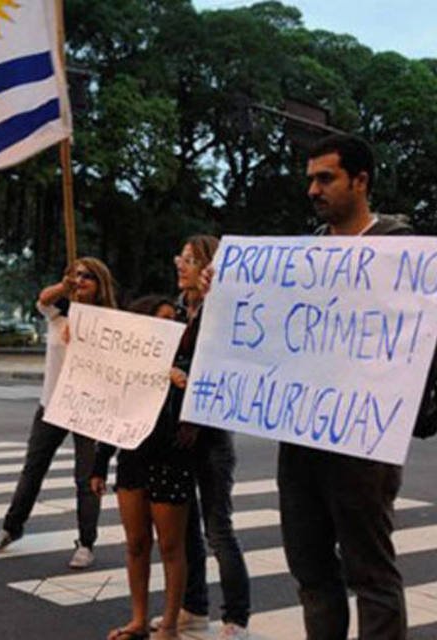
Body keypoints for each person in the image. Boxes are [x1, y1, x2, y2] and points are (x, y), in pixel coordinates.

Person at [197, 134, 410, 639]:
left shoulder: (400, 250)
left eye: (326, 178)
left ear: (360, 181)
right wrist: (223, 291)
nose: (313, 189)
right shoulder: (302, 255)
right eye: (310, 179)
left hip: (364, 441)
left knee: (371, 573)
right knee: (311, 572)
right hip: (300, 440)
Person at [0, 257, 118, 569]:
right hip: (52, 405)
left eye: (88, 277)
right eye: (76, 275)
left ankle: (86, 542)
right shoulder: (58, 313)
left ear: (100, 284)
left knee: (87, 478)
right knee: (33, 470)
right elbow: (44, 298)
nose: (81, 280)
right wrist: (64, 287)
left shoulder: (110, 323)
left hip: (88, 408)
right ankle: (11, 528)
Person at [149, 236, 252, 640]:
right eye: (180, 258)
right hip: (176, 435)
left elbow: (227, 362)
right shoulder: (176, 311)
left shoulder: (219, 312)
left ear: (208, 266)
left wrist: (186, 375)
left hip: (209, 437)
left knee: (217, 529)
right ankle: (193, 608)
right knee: (185, 528)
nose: (181, 265)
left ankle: (236, 618)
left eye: (190, 260)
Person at [91, 292, 195, 640]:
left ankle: (168, 624)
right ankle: (138, 619)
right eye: (161, 320)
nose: (170, 325)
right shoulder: (127, 368)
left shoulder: (187, 362)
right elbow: (112, 415)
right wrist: (98, 464)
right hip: (133, 460)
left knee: (170, 546)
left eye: (173, 319)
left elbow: (202, 409)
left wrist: (180, 385)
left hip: (172, 460)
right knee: (136, 543)